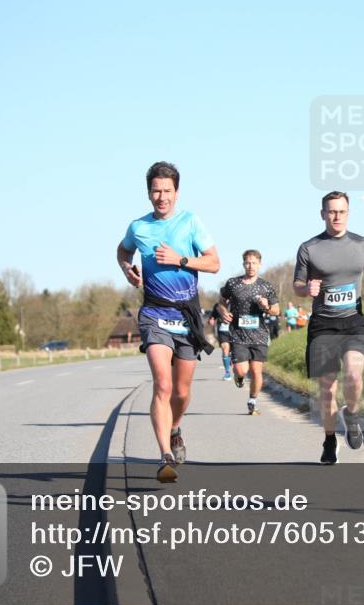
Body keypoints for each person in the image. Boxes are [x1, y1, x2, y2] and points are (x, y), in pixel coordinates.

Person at [117, 161, 220, 483]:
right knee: (162, 384)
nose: (161, 197)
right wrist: (127, 269)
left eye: (167, 191)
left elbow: (215, 263)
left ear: (177, 192)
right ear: (148, 193)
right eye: (156, 191)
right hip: (154, 314)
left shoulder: (190, 222)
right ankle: (164, 455)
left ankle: (175, 427)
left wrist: (181, 259)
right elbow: (123, 251)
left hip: (187, 315)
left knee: (181, 391)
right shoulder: (139, 227)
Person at [293, 191, 364, 464]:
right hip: (323, 326)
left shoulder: (362, 244)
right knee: (327, 389)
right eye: (331, 211)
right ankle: (330, 440)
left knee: (354, 376)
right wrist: (306, 288)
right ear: (322, 214)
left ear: (348, 213)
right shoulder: (309, 248)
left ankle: (352, 415)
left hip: (353, 321)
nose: (337, 216)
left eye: (341, 211)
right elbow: (296, 286)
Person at [217, 250, 280, 415]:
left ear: (259, 264)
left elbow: (276, 310)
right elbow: (221, 302)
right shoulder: (233, 284)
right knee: (242, 370)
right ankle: (238, 377)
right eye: (247, 262)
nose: (251, 266)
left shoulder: (266, 286)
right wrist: (223, 311)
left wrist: (266, 306)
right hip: (238, 334)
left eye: (254, 263)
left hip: (259, 334)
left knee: (257, 371)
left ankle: (252, 400)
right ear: (243, 264)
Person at [207, 304, 233, 380]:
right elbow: (212, 317)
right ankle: (227, 373)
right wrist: (211, 320)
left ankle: (231, 358)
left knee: (233, 352)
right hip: (223, 331)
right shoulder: (218, 306)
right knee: (225, 349)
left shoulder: (237, 300)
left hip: (235, 331)